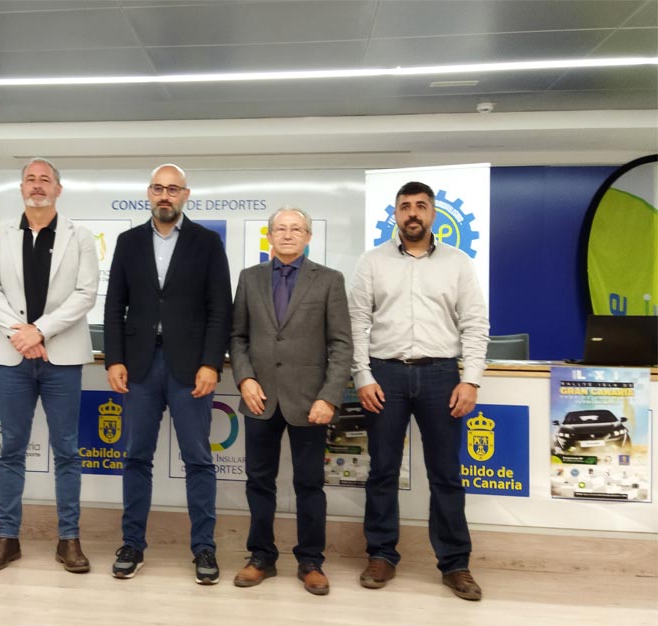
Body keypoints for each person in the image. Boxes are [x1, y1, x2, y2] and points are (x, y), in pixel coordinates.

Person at [349, 181, 490, 600]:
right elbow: (356, 322)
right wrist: (362, 376)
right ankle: (381, 555)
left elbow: (475, 324)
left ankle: (455, 564)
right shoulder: (372, 262)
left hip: (440, 376)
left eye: (421, 206)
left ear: (433, 214)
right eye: (405, 206)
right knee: (382, 470)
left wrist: (471, 379)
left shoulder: (458, 262)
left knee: (446, 474)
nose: (413, 213)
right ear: (395, 214)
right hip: (385, 376)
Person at [104, 163, 232, 585]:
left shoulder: (207, 242)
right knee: (136, 458)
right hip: (139, 366)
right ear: (149, 193)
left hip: (190, 368)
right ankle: (132, 545)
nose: (165, 196)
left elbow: (220, 308)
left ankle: (204, 548)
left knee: (198, 459)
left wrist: (211, 363)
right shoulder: (128, 242)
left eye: (173, 189)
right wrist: (114, 359)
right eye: (158, 189)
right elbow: (114, 305)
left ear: (185, 195)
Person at [0, 158, 99, 573]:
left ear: (58, 189)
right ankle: (7, 537)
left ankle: (69, 539)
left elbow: (85, 294)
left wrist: (40, 331)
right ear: (21, 188)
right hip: (13, 355)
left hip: (61, 357)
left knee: (67, 450)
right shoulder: (1, 234)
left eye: (44, 179)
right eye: (30, 179)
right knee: (11, 450)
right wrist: (22, 333)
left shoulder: (80, 236)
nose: (36, 185)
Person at [228, 207, 352, 596]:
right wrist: (245, 378)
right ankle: (260, 557)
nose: (287, 234)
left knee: (309, 485)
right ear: (269, 236)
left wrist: (329, 397)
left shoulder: (329, 280)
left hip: (310, 402)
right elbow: (237, 337)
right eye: (280, 229)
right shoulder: (249, 278)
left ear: (308, 236)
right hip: (259, 398)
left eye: (296, 229)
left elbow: (341, 344)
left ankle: (311, 561)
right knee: (259, 482)